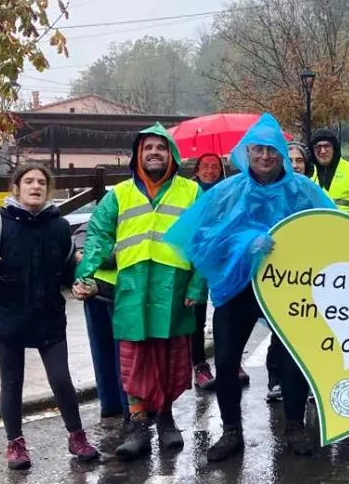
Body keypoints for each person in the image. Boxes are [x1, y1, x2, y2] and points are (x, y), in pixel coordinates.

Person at [165, 114, 336, 462]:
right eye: (258, 149)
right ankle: (231, 431)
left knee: (293, 359)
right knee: (226, 362)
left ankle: (293, 426)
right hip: (238, 288)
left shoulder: (302, 189)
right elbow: (203, 237)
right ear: (247, 151)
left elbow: (331, 228)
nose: (265, 156)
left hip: (289, 288)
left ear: (282, 154)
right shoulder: (229, 191)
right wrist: (246, 243)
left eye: (272, 150)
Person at [73, 123, 205, 461]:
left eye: (161, 147)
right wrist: (84, 275)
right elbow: (98, 237)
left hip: (174, 289)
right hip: (132, 288)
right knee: (135, 360)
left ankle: (166, 420)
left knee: (170, 357)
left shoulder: (192, 192)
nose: (155, 153)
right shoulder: (118, 194)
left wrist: (196, 284)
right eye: (148, 148)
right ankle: (137, 426)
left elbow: (205, 241)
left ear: (171, 154)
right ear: (138, 155)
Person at [0, 165, 99, 470]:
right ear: (17, 188)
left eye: (41, 182)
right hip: (5, 317)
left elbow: (66, 273)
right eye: (29, 181)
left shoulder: (59, 227)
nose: (35, 186)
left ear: (47, 190)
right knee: (12, 381)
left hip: (48, 316)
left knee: (62, 380)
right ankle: (15, 444)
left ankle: (76, 436)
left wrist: (79, 283)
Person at [189, 153, 250, 391]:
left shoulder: (230, 191)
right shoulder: (189, 192)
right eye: (205, 166)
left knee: (230, 309)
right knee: (198, 311)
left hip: (225, 256)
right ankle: (200, 365)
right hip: (198, 257)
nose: (210, 170)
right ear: (196, 169)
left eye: (215, 166)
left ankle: (233, 360)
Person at [264, 140, 314, 404]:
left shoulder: (311, 193)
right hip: (278, 274)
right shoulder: (272, 193)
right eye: (290, 160)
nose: (295, 165)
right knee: (279, 332)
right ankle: (276, 380)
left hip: (309, 273)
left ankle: (309, 384)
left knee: (309, 331)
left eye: (300, 161)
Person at [71, 221, 128, 423]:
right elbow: (86, 229)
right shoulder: (119, 199)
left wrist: (88, 255)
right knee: (115, 352)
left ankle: (122, 406)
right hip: (104, 293)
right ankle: (119, 406)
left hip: (115, 292)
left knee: (120, 352)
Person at [309, 128, 349, 213]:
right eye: (318, 147)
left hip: (345, 225)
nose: (322, 151)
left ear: (334, 148)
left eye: (326, 146)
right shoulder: (309, 174)